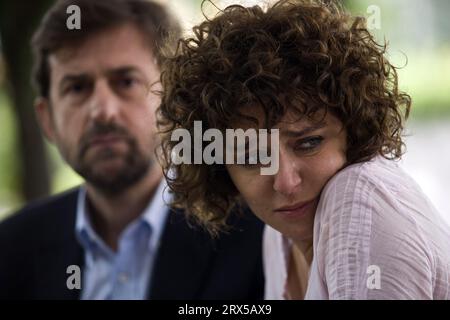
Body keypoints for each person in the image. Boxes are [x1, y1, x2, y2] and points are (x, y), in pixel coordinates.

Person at [157, 0, 450, 299]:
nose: (285, 182)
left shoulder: (360, 197)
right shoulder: (277, 236)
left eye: (308, 143)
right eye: (251, 157)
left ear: (354, 129)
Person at [0, 0, 264, 300]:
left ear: (173, 100)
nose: (102, 111)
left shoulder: (256, 236)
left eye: (126, 81)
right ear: (47, 120)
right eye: (77, 87)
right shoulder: (11, 251)